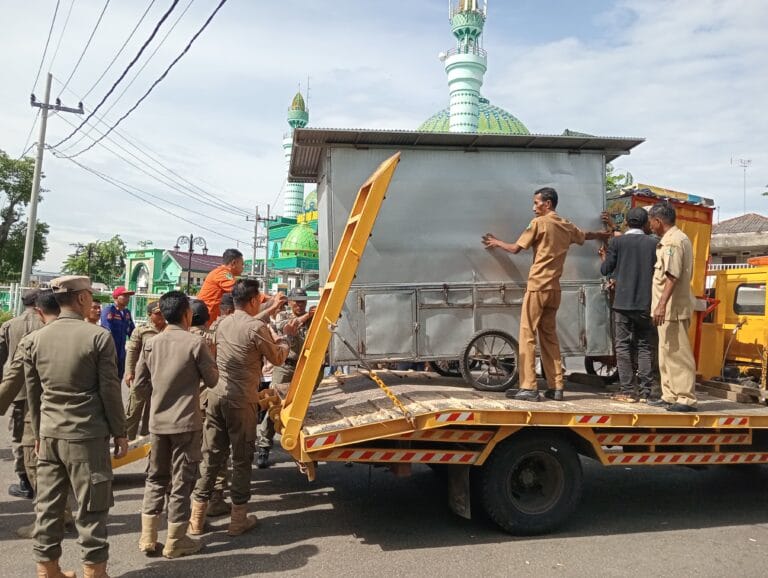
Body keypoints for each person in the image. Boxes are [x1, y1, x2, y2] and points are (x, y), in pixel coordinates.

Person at [24, 275, 128, 578]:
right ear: (82, 298)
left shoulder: (35, 339)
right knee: (92, 508)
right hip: (87, 436)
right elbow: (110, 390)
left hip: (50, 435)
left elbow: (34, 394)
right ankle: (94, 572)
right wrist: (120, 432)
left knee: (47, 506)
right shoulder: (97, 337)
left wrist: (39, 435)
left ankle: (47, 570)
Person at [482, 187, 610, 402]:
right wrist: (601, 234)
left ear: (547, 204)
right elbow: (584, 236)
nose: (534, 208)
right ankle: (556, 386)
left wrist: (497, 242)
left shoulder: (539, 223)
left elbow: (515, 248)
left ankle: (529, 387)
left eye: (536, 203)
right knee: (549, 337)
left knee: (527, 334)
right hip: (554, 290)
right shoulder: (565, 224)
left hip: (537, 286)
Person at [190, 279, 288, 538]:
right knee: (242, 458)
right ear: (254, 300)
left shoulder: (222, 322)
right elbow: (277, 357)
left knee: (211, 455)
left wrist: (271, 308)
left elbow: (249, 324)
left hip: (215, 396)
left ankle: (196, 519)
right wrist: (285, 340)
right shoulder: (256, 328)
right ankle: (238, 520)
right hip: (241, 400)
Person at [134, 291, 219, 559]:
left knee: (156, 478)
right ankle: (175, 540)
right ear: (187, 314)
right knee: (182, 481)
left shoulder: (151, 343)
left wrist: (160, 396)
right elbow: (213, 380)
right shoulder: (195, 344)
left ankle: (148, 536)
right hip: (186, 423)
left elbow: (139, 385)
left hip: (157, 423)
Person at [0, 290, 74, 540]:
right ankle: (62, 513)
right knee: (59, 463)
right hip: (68, 410)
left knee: (35, 461)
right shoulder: (84, 331)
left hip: (29, 402)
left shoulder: (18, 329)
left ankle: (49, 521)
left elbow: (11, 373)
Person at [600, 207, 658, 402]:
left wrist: (604, 257)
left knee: (623, 346)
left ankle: (627, 390)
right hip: (645, 303)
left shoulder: (618, 242)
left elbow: (606, 269)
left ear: (627, 222)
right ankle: (645, 392)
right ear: (645, 223)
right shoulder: (653, 243)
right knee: (643, 346)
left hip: (623, 303)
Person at [646, 202, 698, 412]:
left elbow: (672, 275)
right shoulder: (670, 239)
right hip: (668, 310)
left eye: (651, 221)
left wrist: (661, 305)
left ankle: (685, 398)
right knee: (666, 353)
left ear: (658, 221)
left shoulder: (673, 243)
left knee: (678, 354)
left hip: (673, 309)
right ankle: (670, 395)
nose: (649, 225)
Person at [258, 287, 316, 468]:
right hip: (285, 366)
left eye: (302, 301)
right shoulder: (282, 316)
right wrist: (308, 316)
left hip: (305, 368)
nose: (300, 304)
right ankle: (264, 446)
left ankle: (304, 449)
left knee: (304, 408)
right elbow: (288, 327)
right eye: (296, 301)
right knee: (274, 405)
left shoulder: (311, 317)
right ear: (289, 302)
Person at [0, 288, 42, 499]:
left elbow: (1, 358)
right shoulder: (47, 324)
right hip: (42, 389)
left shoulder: (10, 325)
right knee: (39, 433)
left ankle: (24, 480)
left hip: (18, 390)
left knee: (19, 437)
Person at [124, 301, 166, 440]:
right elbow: (132, 351)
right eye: (158, 313)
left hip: (159, 378)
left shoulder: (168, 330)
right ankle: (127, 439)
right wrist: (129, 371)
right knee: (133, 410)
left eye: (163, 313)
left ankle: (147, 439)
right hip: (141, 377)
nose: (162, 316)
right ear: (149, 315)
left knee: (152, 411)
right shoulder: (142, 330)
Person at [196, 249, 244, 325]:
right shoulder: (222, 274)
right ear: (234, 263)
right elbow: (241, 291)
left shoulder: (223, 273)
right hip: (206, 319)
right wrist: (264, 298)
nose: (243, 267)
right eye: (242, 264)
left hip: (207, 317)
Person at [101, 286, 136, 379]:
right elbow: (106, 330)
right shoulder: (109, 310)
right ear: (116, 297)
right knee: (109, 377)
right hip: (110, 350)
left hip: (121, 351)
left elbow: (132, 331)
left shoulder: (127, 312)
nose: (127, 299)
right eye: (124, 296)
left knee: (119, 375)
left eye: (128, 296)